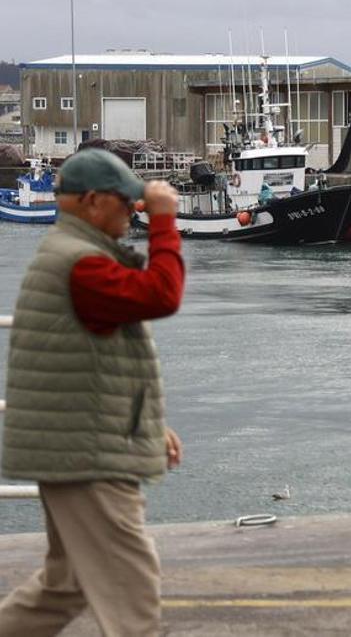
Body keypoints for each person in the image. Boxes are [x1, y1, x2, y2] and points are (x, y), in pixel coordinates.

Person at [0, 148, 185, 637]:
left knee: (63, 588)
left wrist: (149, 425)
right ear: (91, 202)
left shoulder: (72, 254)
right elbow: (161, 295)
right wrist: (166, 223)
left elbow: (93, 365)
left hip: (74, 445)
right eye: (126, 203)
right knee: (132, 592)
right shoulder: (80, 263)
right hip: (86, 457)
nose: (133, 212)